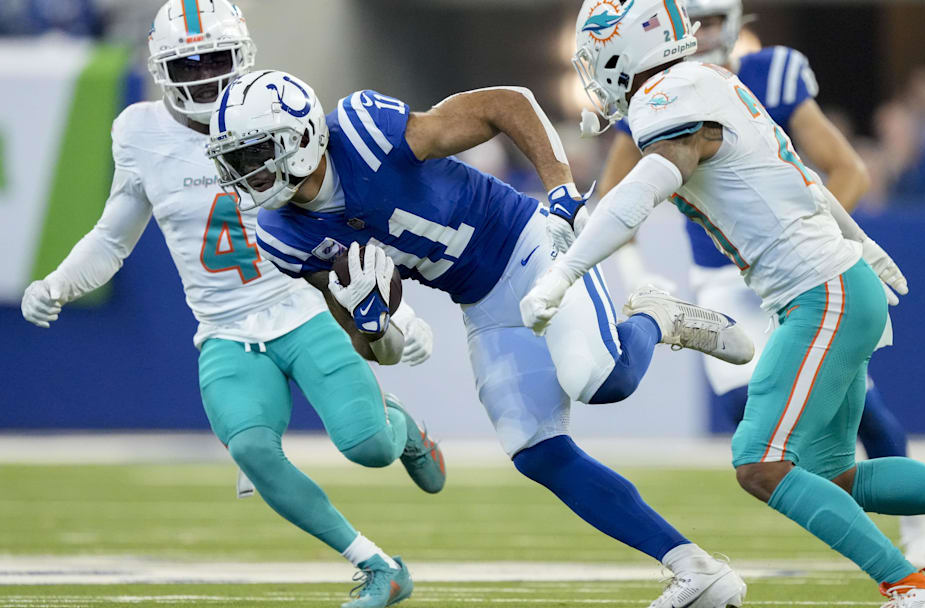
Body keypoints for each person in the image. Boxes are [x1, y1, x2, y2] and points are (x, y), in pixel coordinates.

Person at [521, 0, 925, 605]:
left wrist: (563, 273)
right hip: (831, 284)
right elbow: (803, 179)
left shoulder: (667, 100)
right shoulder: (710, 82)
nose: (593, 74)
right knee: (834, 474)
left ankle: (911, 585)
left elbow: (640, 196)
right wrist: (861, 243)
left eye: (597, 56)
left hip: (820, 291)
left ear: (625, 49)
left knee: (759, 462)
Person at [206, 69, 753, 608]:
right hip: (479, 300)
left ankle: (655, 316)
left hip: (528, 240)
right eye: (237, 160)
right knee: (534, 450)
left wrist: (560, 190)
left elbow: (506, 103)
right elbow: (367, 343)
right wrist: (376, 325)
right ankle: (696, 569)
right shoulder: (282, 235)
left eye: (256, 154)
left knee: (599, 379)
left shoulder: (363, 132)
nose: (248, 172)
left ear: (302, 137)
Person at [19, 3, 444, 607]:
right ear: (160, 69)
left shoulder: (273, 107)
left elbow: (344, 218)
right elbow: (113, 237)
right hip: (223, 326)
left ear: (242, 56)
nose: (204, 75)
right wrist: (59, 282)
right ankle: (378, 567)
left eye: (214, 59)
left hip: (303, 304)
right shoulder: (139, 132)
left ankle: (401, 429)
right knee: (251, 449)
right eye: (188, 64)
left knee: (369, 448)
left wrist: (396, 311)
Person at [595, 0, 925, 569]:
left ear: (734, 22)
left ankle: (918, 524)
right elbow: (616, 203)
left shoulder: (767, 75)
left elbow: (848, 170)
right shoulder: (652, 92)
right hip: (723, 283)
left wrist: (811, 243)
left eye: (712, 20)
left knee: (862, 416)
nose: (702, 32)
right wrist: (637, 276)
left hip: (798, 276)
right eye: (694, 21)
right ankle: (876, 542)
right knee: (754, 420)